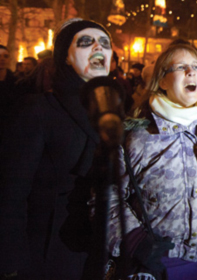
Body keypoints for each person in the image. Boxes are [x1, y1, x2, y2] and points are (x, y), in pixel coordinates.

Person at [0, 19, 113, 279]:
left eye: (105, 43)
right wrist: (10, 261)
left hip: (98, 249)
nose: (99, 47)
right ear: (65, 57)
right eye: (86, 42)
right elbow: (10, 192)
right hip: (48, 252)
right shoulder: (38, 109)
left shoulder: (116, 110)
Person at [106, 43, 197, 279]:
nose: (191, 72)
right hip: (157, 264)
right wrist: (136, 242)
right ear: (162, 81)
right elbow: (106, 196)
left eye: (196, 66)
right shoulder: (139, 136)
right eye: (180, 67)